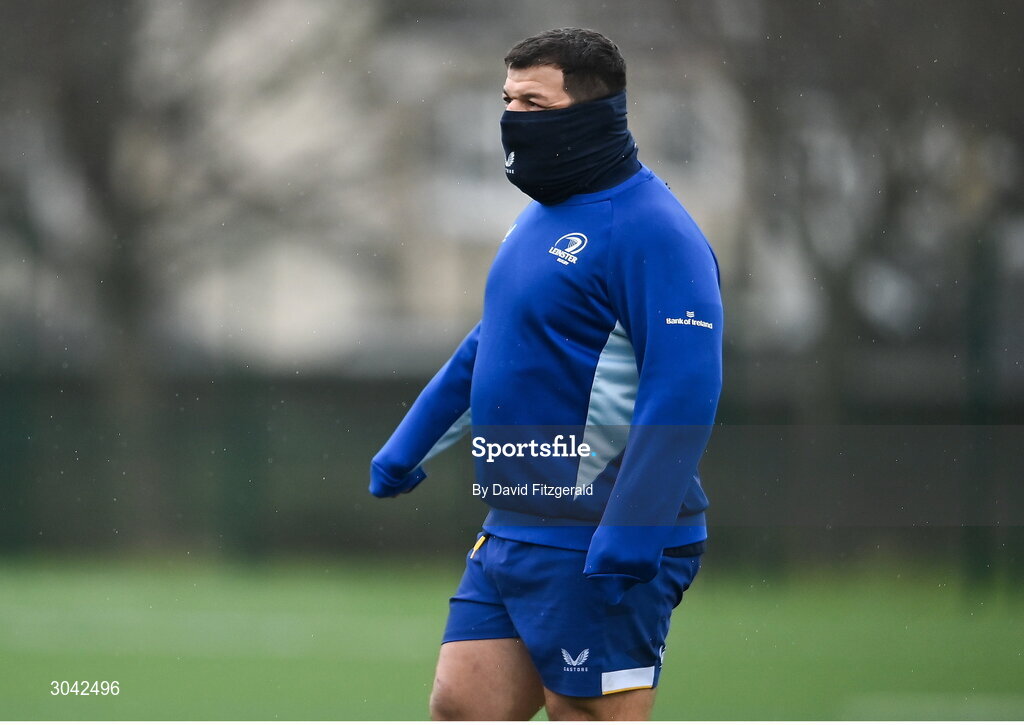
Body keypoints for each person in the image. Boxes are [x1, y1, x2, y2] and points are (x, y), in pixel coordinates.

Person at [369, 27, 722, 721]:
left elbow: (683, 388)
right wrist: (410, 442)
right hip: (513, 527)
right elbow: (490, 343)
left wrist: (632, 533)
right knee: (462, 705)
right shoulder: (534, 221)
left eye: (533, 102)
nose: (511, 120)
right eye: (506, 100)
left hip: (599, 535)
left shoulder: (654, 229)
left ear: (592, 112)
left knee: (584, 713)